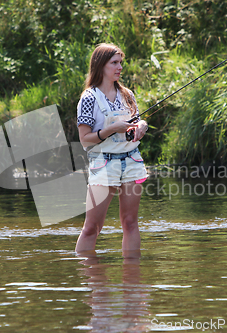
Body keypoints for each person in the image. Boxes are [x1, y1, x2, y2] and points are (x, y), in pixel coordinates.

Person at [75, 43, 149, 257]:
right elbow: (85, 141)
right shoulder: (88, 98)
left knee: (130, 222)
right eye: (114, 63)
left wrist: (142, 126)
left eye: (120, 63)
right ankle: (89, 280)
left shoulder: (127, 95)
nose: (119, 68)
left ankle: (132, 284)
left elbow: (136, 122)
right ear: (101, 65)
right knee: (92, 227)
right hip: (103, 163)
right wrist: (110, 130)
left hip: (132, 162)